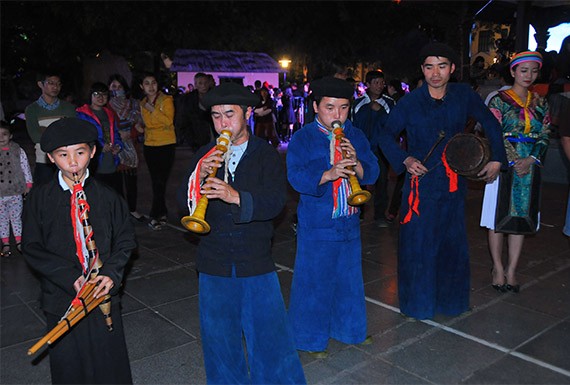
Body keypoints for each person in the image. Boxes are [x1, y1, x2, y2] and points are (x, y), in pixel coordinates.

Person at [179, 82, 305, 384]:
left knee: (269, 336)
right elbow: (180, 207)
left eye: (230, 114)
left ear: (248, 113)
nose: (223, 123)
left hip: (255, 259)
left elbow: (276, 203)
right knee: (219, 341)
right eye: (216, 116)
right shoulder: (203, 154)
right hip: (213, 261)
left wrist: (236, 196)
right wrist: (198, 178)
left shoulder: (266, 155)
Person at [378, 42, 506, 320]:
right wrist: (405, 160)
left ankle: (452, 302)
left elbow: (491, 122)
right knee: (418, 247)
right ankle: (418, 305)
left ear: (451, 68)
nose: (435, 73)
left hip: (453, 184)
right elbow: (385, 134)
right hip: (420, 186)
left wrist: (497, 157)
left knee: (452, 245)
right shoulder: (410, 101)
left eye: (441, 66)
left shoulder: (463, 95)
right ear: (422, 70)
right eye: (429, 67)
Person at [22, 117, 135, 383]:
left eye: (80, 152)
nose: (73, 162)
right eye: (63, 155)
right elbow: (32, 246)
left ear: (93, 152)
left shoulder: (108, 196)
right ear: (51, 158)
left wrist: (111, 273)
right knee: (69, 364)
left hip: (101, 293)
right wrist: (69, 276)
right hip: (61, 295)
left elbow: (126, 239)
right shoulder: (40, 198)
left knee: (108, 361)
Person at [287, 77, 379, 356]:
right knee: (313, 282)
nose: (337, 115)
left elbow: (373, 172)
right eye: (329, 108)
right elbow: (295, 176)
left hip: (349, 218)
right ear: (316, 106)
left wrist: (358, 165)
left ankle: (349, 330)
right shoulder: (303, 138)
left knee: (349, 279)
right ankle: (308, 339)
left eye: (343, 108)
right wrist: (327, 174)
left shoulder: (356, 134)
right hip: (318, 223)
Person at [480, 52, 551, 292]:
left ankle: (512, 269)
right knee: (496, 218)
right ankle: (498, 267)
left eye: (533, 71)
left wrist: (530, 159)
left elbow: (545, 133)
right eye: (523, 70)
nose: (529, 75)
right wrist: (511, 159)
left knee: (521, 217)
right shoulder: (498, 100)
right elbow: (493, 132)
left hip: (530, 166)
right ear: (512, 72)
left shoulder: (540, 102)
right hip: (501, 164)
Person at [352, 70, 396, 227]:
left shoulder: (389, 103)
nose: (379, 86)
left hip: (381, 149)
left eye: (381, 82)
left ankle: (379, 215)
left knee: (381, 182)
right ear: (368, 85)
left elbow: (393, 126)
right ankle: (358, 213)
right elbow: (353, 125)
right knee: (359, 180)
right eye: (376, 82)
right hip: (361, 149)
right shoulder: (357, 103)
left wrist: (381, 112)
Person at [24, 71, 76, 185]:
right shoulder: (32, 110)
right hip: (44, 160)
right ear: (40, 84)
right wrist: (60, 132)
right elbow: (35, 136)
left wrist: (46, 131)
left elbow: (72, 132)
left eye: (58, 84)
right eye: (51, 83)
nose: (55, 87)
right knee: (46, 196)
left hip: (67, 160)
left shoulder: (69, 108)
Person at [139, 73, 176, 230]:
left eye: (153, 82)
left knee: (161, 180)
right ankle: (162, 212)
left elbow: (168, 120)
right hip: (150, 144)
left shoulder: (166, 100)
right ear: (142, 87)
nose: (151, 86)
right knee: (156, 181)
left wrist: (153, 110)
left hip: (166, 143)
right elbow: (148, 123)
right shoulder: (142, 103)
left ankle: (155, 214)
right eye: (147, 83)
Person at [108, 74, 145, 221]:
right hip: (115, 147)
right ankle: (120, 211)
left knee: (131, 181)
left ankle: (132, 209)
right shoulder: (107, 105)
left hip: (131, 146)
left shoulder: (134, 104)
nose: (116, 90)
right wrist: (118, 135)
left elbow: (140, 125)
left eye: (119, 86)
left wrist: (131, 132)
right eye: (113, 86)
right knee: (116, 182)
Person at [76, 82, 123, 194]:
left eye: (104, 94)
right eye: (97, 93)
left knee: (113, 193)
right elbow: (83, 135)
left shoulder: (109, 113)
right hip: (94, 159)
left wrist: (118, 145)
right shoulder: (82, 114)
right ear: (91, 95)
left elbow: (115, 133)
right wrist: (100, 145)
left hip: (110, 158)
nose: (100, 97)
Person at [0, 122, 33, 257]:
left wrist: (28, 184)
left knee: (16, 218)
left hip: (15, 190)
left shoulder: (17, 150)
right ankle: (6, 243)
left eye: (4, 134)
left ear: (11, 136)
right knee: (2, 219)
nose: (1, 137)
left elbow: (25, 166)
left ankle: (19, 241)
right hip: (1, 192)